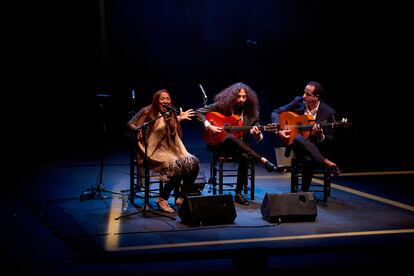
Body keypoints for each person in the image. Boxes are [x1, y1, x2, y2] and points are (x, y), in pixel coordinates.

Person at [196, 82, 276, 206]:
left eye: (244, 97)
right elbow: (199, 112)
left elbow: (259, 136)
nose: (241, 100)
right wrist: (209, 126)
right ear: (232, 96)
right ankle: (262, 159)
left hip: (240, 147)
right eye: (238, 96)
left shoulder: (253, 114)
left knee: (244, 156)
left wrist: (257, 135)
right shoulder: (222, 106)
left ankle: (238, 193)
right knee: (229, 138)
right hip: (220, 145)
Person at [127, 89, 200, 213]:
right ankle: (163, 198)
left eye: (168, 99)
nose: (165, 101)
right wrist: (136, 130)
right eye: (162, 99)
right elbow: (130, 123)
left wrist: (179, 118)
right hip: (151, 151)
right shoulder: (147, 111)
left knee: (193, 163)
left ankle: (182, 197)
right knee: (177, 165)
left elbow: (168, 126)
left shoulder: (170, 114)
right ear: (157, 101)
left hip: (169, 150)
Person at [271, 81, 340, 192]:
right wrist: (279, 129)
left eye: (307, 94)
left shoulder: (328, 112)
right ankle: (325, 162)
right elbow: (276, 112)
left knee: (308, 160)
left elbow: (331, 139)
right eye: (304, 93)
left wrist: (321, 135)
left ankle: (304, 193)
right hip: (297, 147)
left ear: (316, 97)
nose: (304, 96)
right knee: (298, 138)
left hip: (317, 149)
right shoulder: (298, 101)